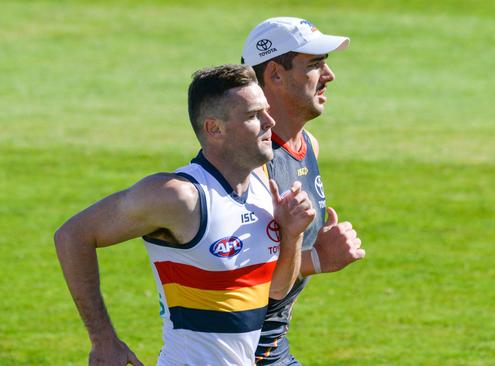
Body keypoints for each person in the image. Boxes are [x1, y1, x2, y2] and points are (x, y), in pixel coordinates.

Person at [54, 64, 316, 366]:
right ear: (214, 128)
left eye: (266, 111)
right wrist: (103, 340)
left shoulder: (263, 187)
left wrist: (292, 234)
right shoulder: (179, 196)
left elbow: (276, 290)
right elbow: (72, 235)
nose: (269, 121)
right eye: (253, 115)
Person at [241, 17, 366, 365]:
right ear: (275, 76)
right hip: (237, 355)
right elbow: (233, 273)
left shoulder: (307, 144)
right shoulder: (248, 163)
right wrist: (318, 258)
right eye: (315, 65)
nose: (329, 76)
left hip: (272, 348)